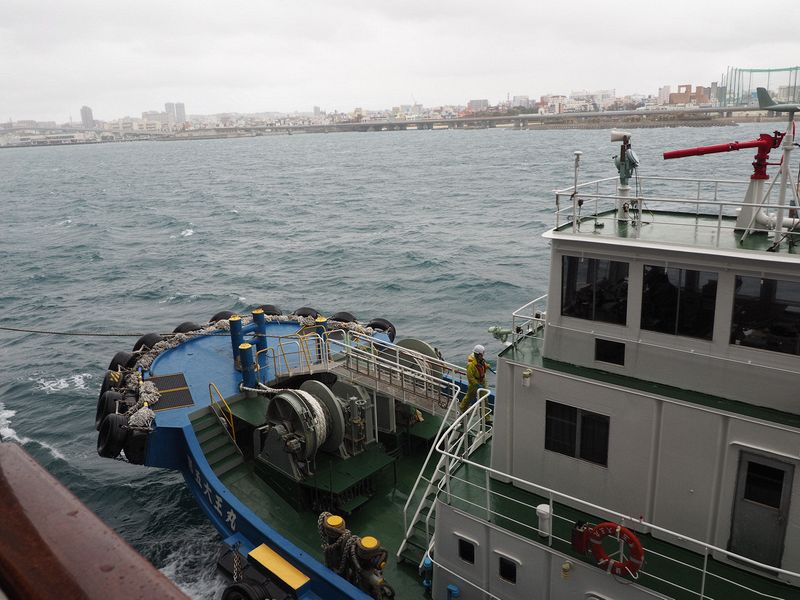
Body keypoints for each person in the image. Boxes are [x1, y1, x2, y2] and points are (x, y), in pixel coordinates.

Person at [460, 344, 488, 413]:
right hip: (474, 384)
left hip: (482, 382)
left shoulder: (480, 361)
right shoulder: (470, 365)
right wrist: (476, 384)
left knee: (485, 400)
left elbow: (483, 367)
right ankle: (462, 410)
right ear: (478, 355)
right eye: (482, 354)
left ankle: (486, 419)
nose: (483, 355)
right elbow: (470, 377)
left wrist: (486, 366)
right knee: (468, 398)